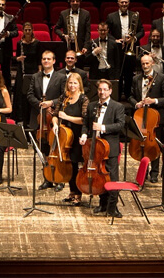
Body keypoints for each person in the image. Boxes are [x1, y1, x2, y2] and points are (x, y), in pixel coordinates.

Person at [79, 79, 125, 217]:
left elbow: (120, 125)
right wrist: (83, 134)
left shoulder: (117, 107)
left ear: (110, 91)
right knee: (99, 176)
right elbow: (86, 124)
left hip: (110, 147)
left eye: (105, 89)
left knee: (112, 177)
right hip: (95, 147)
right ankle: (102, 204)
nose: (102, 92)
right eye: (100, 89)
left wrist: (103, 128)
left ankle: (112, 207)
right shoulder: (92, 106)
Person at [128, 54, 164, 183]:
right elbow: (130, 96)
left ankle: (154, 172)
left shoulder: (161, 78)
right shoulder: (136, 79)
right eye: (143, 64)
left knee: (154, 146)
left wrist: (154, 100)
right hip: (141, 116)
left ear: (152, 63)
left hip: (155, 117)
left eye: (147, 63)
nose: (145, 66)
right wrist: (136, 103)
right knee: (142, 145)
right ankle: (144, 171)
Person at [27, 50, 67, 191]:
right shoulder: (35, 76)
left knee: (55, 149)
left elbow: (64, 96)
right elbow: (30, 94)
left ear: (54, 61)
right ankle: (47, 179)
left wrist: (51, 103)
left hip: (53, 119)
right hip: (39, 119)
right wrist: (40, 104)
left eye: (49, 59)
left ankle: (59, 180)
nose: (46, 61)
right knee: (43, 150)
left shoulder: (61, 77)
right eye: (44, 59)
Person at [51, 73, 89, 204]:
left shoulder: (84, 99)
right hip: (64, 137)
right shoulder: (64, 97)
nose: (72, 86)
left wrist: (66, 117)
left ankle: (78, 193)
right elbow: (55, 114)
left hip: (77, 135)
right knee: (69, 165)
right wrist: (55, 124)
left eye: (75, 83)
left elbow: (85, 120)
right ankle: (72, 192)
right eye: (70, 83)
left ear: (79, 85)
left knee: (75, 164)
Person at [106, 0, 145, 100]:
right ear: (118, 3)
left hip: (130, 48)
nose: (124, 4)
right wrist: (115, 40)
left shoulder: (134, 15)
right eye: (122, 2)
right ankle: (116, 96)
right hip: (117, 48)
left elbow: (141, 31)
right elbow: (106, 32)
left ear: (129, 3)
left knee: (129, 72)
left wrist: (133, 39)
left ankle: (128, 96)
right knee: (118, 72)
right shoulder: (111, 16)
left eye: (126, 2)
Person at [14, 22, 40, 124]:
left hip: (33, 70)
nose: (28, 32)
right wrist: (18, 58)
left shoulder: (37, 43)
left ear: (32, 30)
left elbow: (38, 58)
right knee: (22, 93)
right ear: (23, 31)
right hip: (22, 71)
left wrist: (39, 71)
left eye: (29, 30)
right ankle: (22, 117)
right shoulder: (19, 43)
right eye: (26, 30)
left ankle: (32, 117)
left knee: (32, 93)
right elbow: (16, 57)